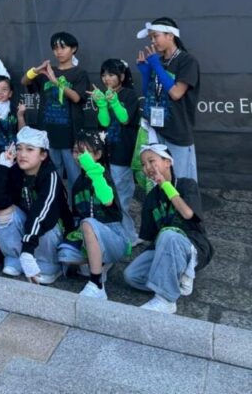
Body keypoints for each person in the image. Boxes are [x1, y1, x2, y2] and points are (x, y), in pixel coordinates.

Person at [123, 143, 213, 313]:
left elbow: (188, 214)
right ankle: (175, 279)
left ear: (168, 162)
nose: (148, 167)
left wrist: (165, 184)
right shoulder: (151, 197)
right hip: (166, 246)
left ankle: (166, 299)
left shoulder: (187, 185)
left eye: (151, 161)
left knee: (168, 234)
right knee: (132, 276)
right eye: (143, 164)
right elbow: (150, 237)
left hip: (193, 245)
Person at [0, 126, 73, 284]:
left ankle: (49, 264)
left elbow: (41, 214)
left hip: (51, 229)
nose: (22, 154)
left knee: (44, 222)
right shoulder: (15, 170)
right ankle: (14, 258)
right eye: (19, 148)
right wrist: (3, 167)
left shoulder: (50, 176)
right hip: (28, 229)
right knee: (1, 213)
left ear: (43, 155)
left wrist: (27, 250)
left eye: (30, 149)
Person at [56, 130, 129, 300]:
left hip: (114, 235)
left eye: (84, 152)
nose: (79, 157)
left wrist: (92, 170)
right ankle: (99, 263)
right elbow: (77, 216)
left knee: (88, 223)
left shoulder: (102, 175)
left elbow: (107, 199)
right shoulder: (78, 184)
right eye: (76, 151)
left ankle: (97, 284)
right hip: (89, 234)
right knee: (65, 253)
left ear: (97, 155)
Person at [22, 31, 89, 197]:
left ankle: (76, 210)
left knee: (75, 178)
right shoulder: (47, 72)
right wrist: (36, 71)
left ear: (73, 49)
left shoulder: (79, 73)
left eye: (63, 47)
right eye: (55, 48)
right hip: (48, 135)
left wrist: (56, 82)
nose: (58, 52)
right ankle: (56, 208)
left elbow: (76, 97)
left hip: (70, 137)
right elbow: (24, 81)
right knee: (51, 177)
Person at [136, 17, 200, 180]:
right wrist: (145, 73)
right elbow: (149, 94)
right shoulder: (158, 61)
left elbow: (176, 93)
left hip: (177, 132)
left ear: (170, 36)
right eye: (151, 37)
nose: (152, 41)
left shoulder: (187, 61)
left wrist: (156, 66)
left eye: (155, 36)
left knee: (181, 180)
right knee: (160, 179)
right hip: (157, 131)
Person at [89, 59, 140, 246]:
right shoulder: (103, 95)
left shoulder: (130, 95)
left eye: (111, 75)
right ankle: (122, 234)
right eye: (104, 75)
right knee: (109, 194)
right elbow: (104, 123)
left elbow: (124, 119)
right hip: (107, 153)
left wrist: (114, 102)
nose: (106, 79)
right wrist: (102, 104)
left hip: (123, 153)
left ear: (122, 76)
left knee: (121, 197)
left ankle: (128, 237)